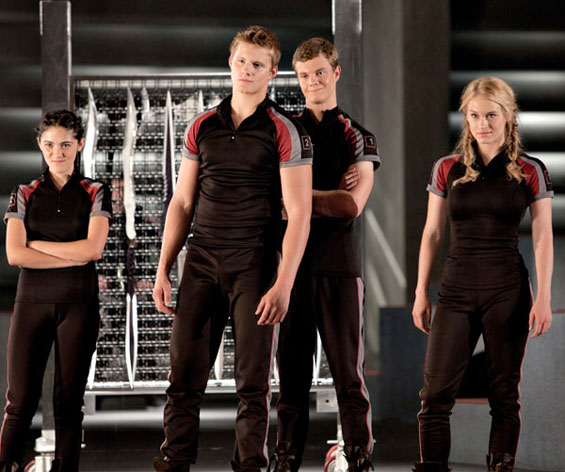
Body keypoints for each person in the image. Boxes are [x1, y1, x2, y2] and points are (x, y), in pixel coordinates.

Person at [151, 26, 313, 472]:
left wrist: (283, 284)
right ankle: (175, 461)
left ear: (272, 72)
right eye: (241, 61)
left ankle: (249, 466)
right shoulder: (202, 125)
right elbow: (182, 203)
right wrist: (164, 268)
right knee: (184, 376)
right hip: (201, 261)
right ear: (230, 62)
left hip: (255, 263)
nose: (247, 70)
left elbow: (300, 214)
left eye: (257, 64)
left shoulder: (286, 129)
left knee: (252, 382)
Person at [412, 77, 553, 472]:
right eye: (474, 116)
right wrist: (421, 292)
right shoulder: (447, 167)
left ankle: (500, 466)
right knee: (434, 395)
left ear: (508, 115)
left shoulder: (530, 170)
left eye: (491, 115)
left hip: (507, 291)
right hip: (456, 290)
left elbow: (543, 237)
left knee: (504, 395)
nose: (482, 124)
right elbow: (432, 233)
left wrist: (543, 297)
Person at [272, 38, 380, 472]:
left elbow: (351, 205)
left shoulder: (357, 135)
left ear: (336, 73)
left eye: (319, 72)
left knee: (348, 378)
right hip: (291, 270)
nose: (312, 81)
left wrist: (297, 199)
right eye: (304, 75)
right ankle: (285, 460)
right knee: (291, 381)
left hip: (339, 269)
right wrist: (324, 196)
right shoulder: (284, 130)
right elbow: (271, 202)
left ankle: (358, 458)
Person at [1, 110, 112, 472]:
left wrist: (37, 245)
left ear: (80, 144)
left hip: (79, 305)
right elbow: (15, 255)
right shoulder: (24, 193)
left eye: (65, 144)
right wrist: (71, 254)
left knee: (68, 405)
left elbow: (93, 250)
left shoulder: (96, 191)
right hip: (31, 305)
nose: (57, 152)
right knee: (19, 403)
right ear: (39, 144)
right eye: (49, 144)